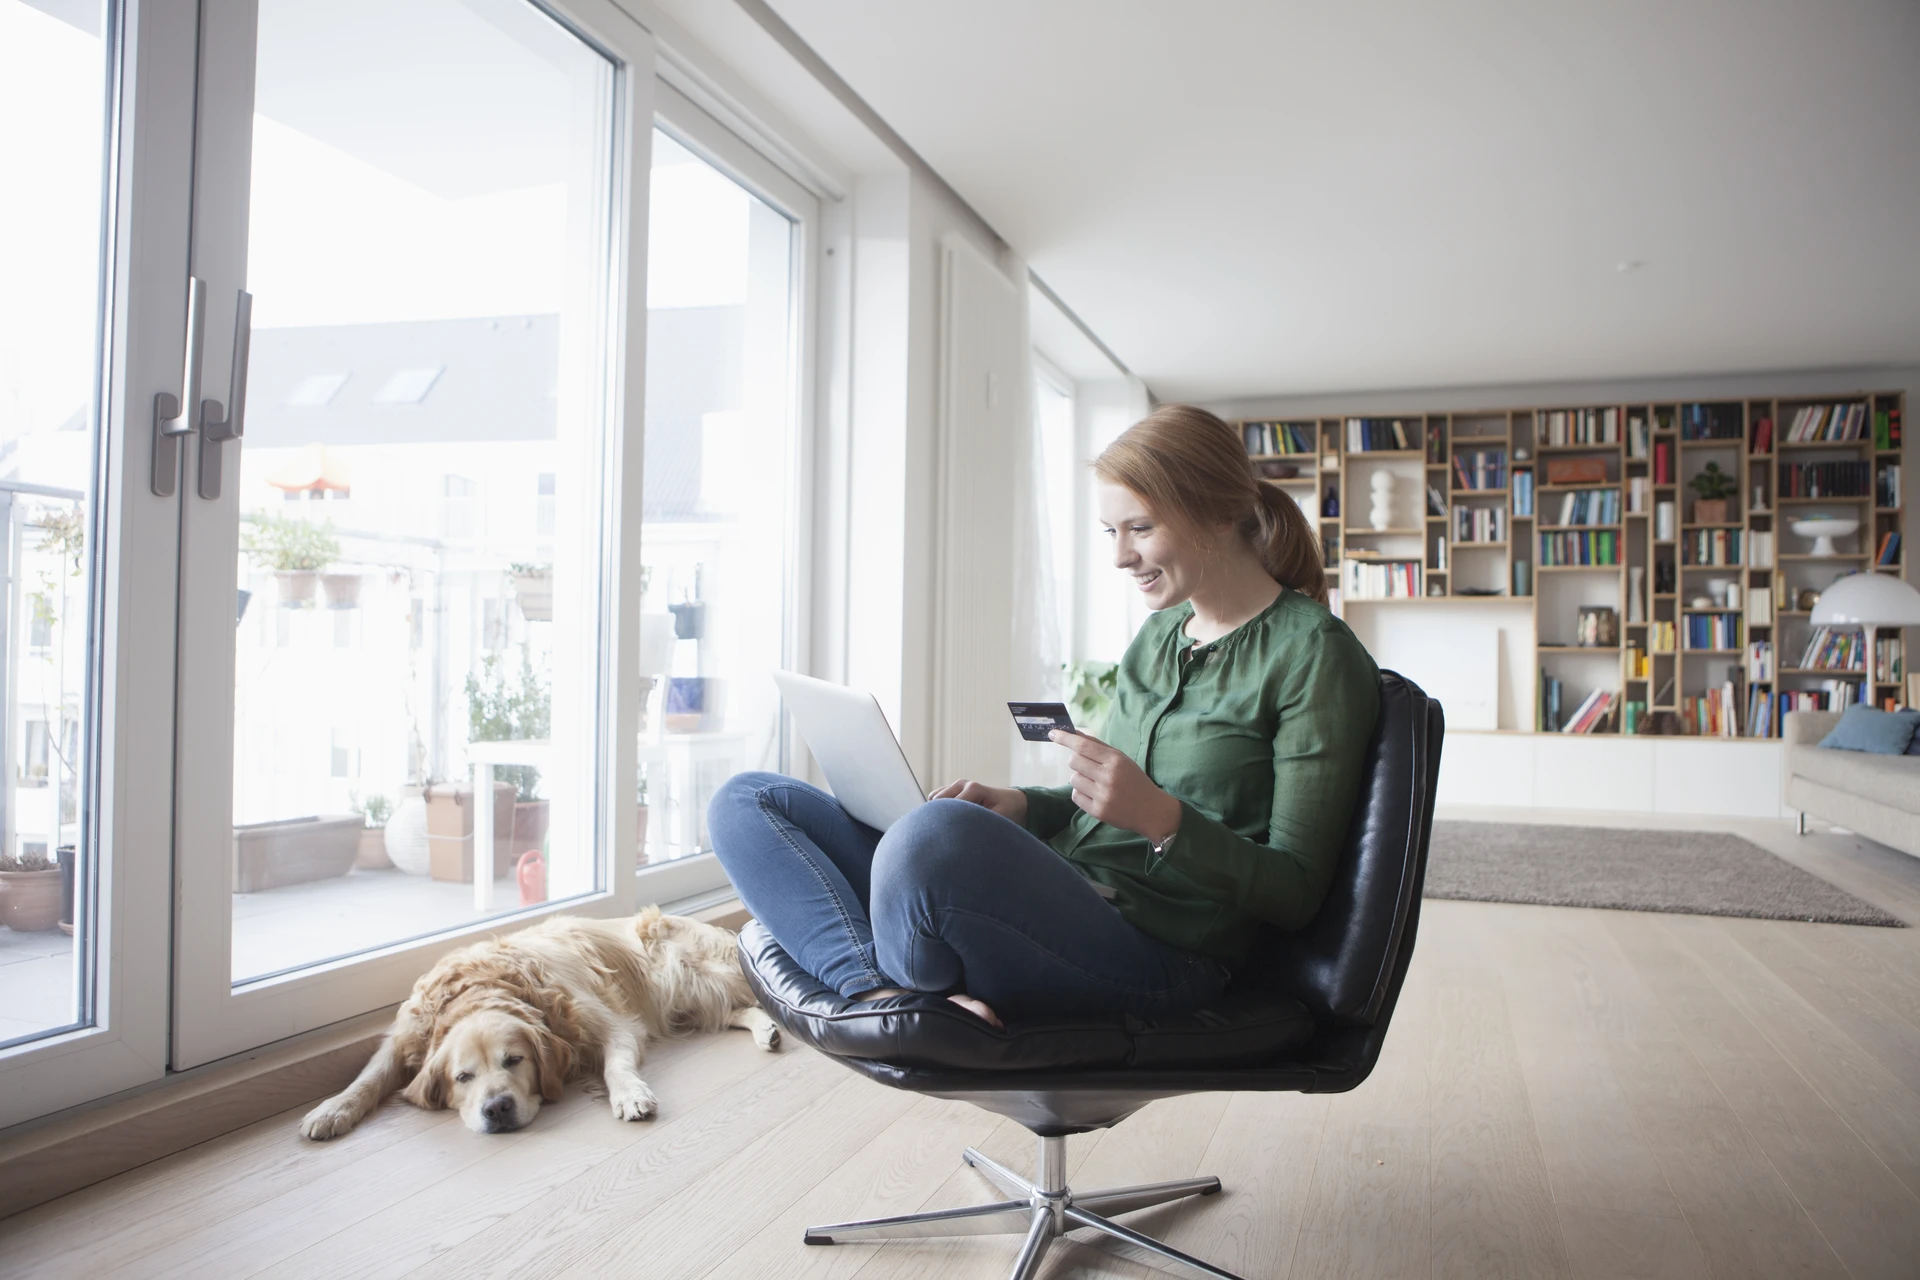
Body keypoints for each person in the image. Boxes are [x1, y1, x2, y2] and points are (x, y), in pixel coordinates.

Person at [708, 404, 1379, 1027]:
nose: (1119, 555)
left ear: (1218, 515)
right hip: (1063, 891)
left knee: (929, 841)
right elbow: (1101, 808)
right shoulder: (1161, 635)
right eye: (1112, 531)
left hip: (1160, 954)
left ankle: (896, 986)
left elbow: (1296, 892)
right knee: (750, 801)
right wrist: (1025, 806)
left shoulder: (1313, 654)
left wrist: (1163, 821)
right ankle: (881, 996)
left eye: (1140, 529)